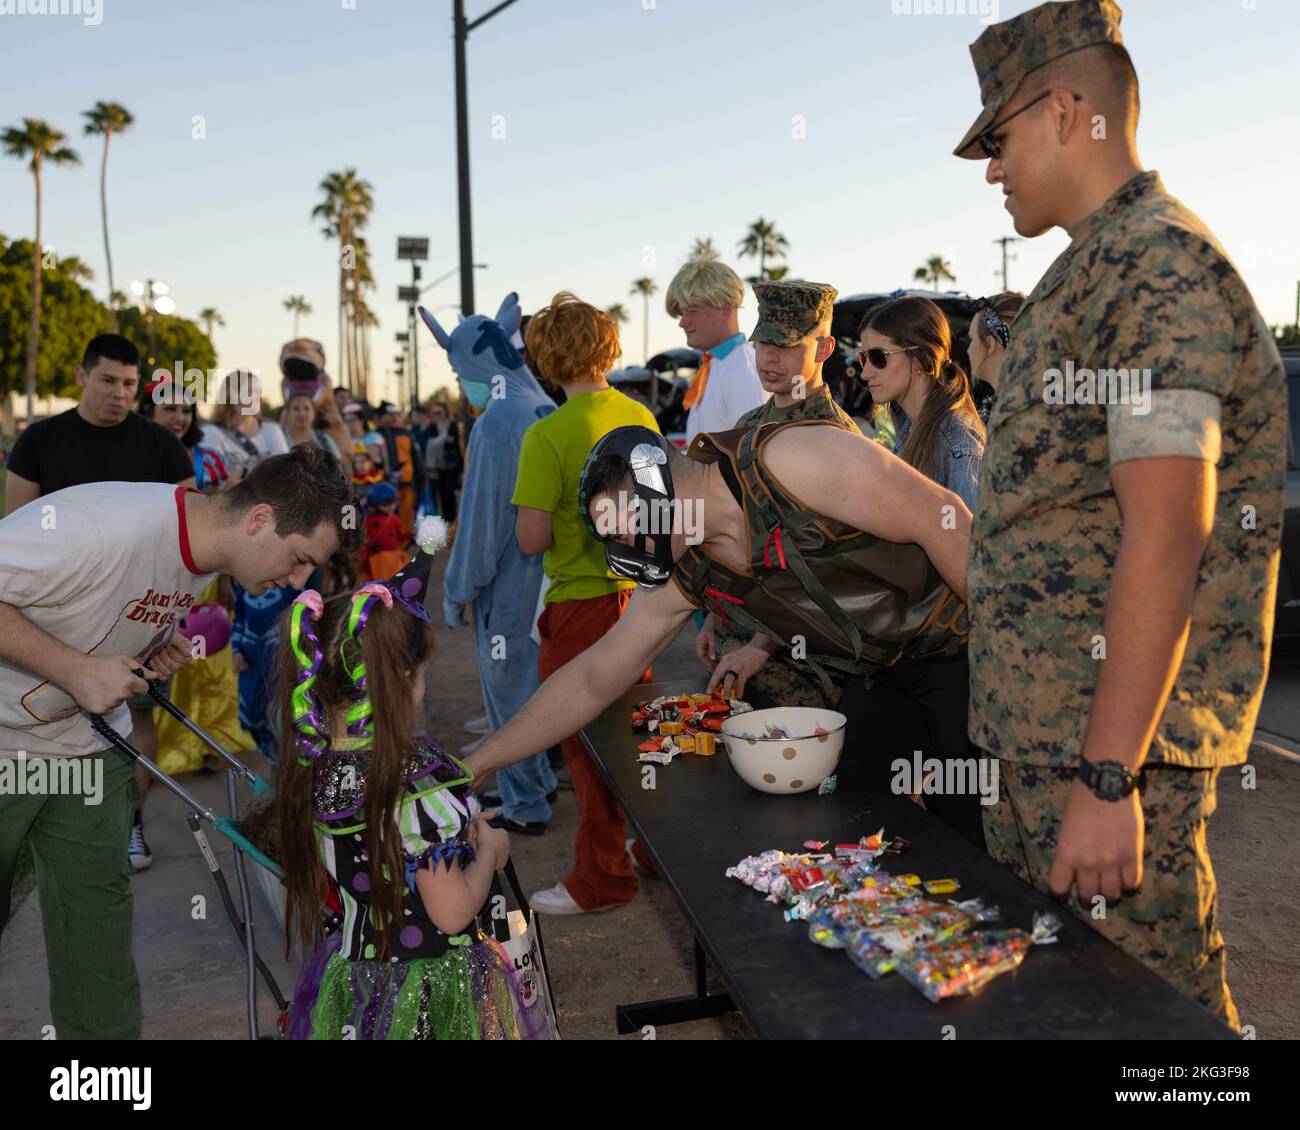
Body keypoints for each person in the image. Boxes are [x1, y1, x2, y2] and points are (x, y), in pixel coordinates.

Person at [953, 0, 1286, 1026]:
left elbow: (1168, 526)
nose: (991, 169)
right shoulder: (1086, 268)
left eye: (997, 141)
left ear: (1064, 112)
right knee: (1074, 1011)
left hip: (1094, 748)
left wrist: (1107, 772)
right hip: (1042, 735)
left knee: (1157, 1025)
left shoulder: (1151, 263)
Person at [0, 445, 354, 1039]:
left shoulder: (206, 555)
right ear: (260, 519)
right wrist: (76, 670)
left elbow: (104, 613)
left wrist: (147, 651)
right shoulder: (102, 528)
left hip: (84, 750)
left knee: (97, 940)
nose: (299, 582)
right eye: (299, 561)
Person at [275, 540, 546, 1040]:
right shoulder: (415, 789)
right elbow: (451, 912)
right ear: (403, 677)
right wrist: (489, 850)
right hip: (430, 990)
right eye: (422, 674)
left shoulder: (311, 769)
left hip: (359, 979)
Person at [4, 334, 197, 871]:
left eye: (130, 384)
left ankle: (130, 821)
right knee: (45, 726)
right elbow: (12, 534)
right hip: (52, 623)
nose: (119, 393)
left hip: (141, 622)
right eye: (108, 380)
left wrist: (174, 615)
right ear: (81, 376)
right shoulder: (39, 440)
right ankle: (44, 831)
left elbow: (193, 531)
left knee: (136, 721)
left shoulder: (160, 444)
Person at [510, 293, 661, 914]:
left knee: (587, 751)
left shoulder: (546, 433)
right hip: (643, 601)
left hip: (579, 606)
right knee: (637, 740)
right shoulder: (640, 414)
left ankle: (603, 878)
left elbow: (531, 538)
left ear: (548, 359)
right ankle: (651, 853)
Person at [420, 294, 559, 836]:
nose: (460, 388)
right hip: (551, 578)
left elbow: (481, 523)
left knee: (510, 694)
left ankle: (527, 802)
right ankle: (534, 779)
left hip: (511, 582)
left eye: (459, 374)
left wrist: (457, 589)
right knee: (535, 690)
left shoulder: (498, 421)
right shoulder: (540, 403)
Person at [699, 280, 862, 713]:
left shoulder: (835, 438)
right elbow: (732, 530)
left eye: (787, 346)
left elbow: (821, 564)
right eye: (762, 343)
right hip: (735, 649)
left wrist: (758, 648)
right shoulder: (748, 424)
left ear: (824, 348)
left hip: (800, 669)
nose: (769, 358)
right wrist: (715, 616)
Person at [139, 376, 251, 776]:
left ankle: (214, 741)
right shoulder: (135, 453)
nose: (179, 416)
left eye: (185, 409)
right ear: (148, 410)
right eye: (169, 408)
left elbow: (223, 520)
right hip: (156, 578)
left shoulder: (210, 458)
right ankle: (174, 747)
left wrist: (224, 576)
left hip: (203, 577)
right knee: (172, 660)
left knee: (211, 657)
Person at [858, 295, 985, 511]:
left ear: (919, 358)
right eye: (863, 358)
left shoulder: (957, 439)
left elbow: (969, 538)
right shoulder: (913, 429)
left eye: (878, 357)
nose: (865, 373)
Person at [666, 249, 768, 443]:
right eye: (681, 314)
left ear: (724, 309)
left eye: (692, 311)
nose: (682, 322)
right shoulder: (717, 365)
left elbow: (752, 456)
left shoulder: (741, 372)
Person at [201, 370, 289, 480]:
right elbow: (211, 480)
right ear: (230, 394)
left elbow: (285, 472)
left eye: (258, 392)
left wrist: (242, 473)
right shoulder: (210, 432)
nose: (257, 398)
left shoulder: (271, 429)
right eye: (250, 392)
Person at [966, 292, 1025, 424]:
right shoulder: (995, 408)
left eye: (971, 339)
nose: (968, 349)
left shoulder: (1010, 414)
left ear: (989, 344)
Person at [375, 401, 426, 534]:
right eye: (389, 414)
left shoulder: (406, 433)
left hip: (405, 483)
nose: (392, 417)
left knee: (405, 514)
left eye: (394, 414)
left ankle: (403, 541)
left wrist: (421, 478)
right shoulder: (374, 436)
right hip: (383, 483)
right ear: (380, 417)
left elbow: (416, 458)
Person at [423, 400, 464, 522]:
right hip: (437, 467)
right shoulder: (432, 427)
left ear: (445, 412)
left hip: (451, 466)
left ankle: (451, 520)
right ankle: (444, 522)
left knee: (449, 494)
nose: (437, 415)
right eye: (434, 412)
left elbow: (455, 445)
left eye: (439, 412)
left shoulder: (452, 425)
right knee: (439, 495)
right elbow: (430, 445)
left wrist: (461, 468)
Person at [284, 391, 343, 461]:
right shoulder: (278, 438)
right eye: (296, 409)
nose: (302, 413)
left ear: (314, 413)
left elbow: (337, 468)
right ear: (288, 414)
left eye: (306, 408)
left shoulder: (325, 440)